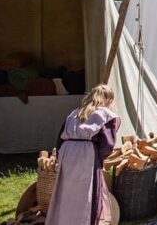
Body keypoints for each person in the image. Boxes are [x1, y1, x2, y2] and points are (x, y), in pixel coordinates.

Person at [47, 85, 120, 225]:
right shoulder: (105, 114)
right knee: (87, 192)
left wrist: (61, 157)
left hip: (68, 152)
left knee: (67, 190)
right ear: (109, 99)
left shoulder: (75, 112)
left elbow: (60, 139)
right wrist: (98, 157)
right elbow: (107, 144)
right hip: (87, 153)